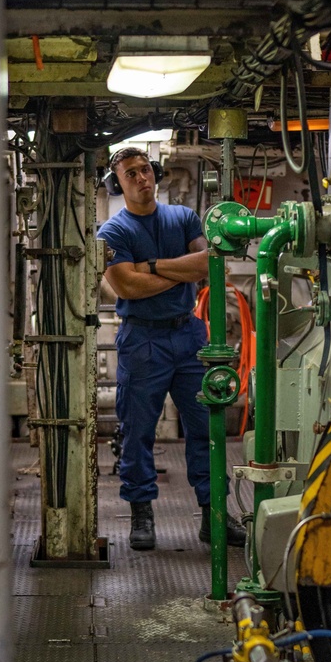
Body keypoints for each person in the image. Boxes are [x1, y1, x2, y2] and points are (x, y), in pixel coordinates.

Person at [100, 145, 247, 552]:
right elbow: (126, 286)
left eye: (145, 170)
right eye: (131, 174)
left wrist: (150, 266)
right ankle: (141, 515)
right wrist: (177, 269)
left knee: (206, 426)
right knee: (138, 431)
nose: (142, 178)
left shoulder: (183, 217)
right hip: (142, 338)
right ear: (119, 184)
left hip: (188, 336)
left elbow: (208, 264)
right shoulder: (113, 232)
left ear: (156, 172)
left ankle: (214, 514)